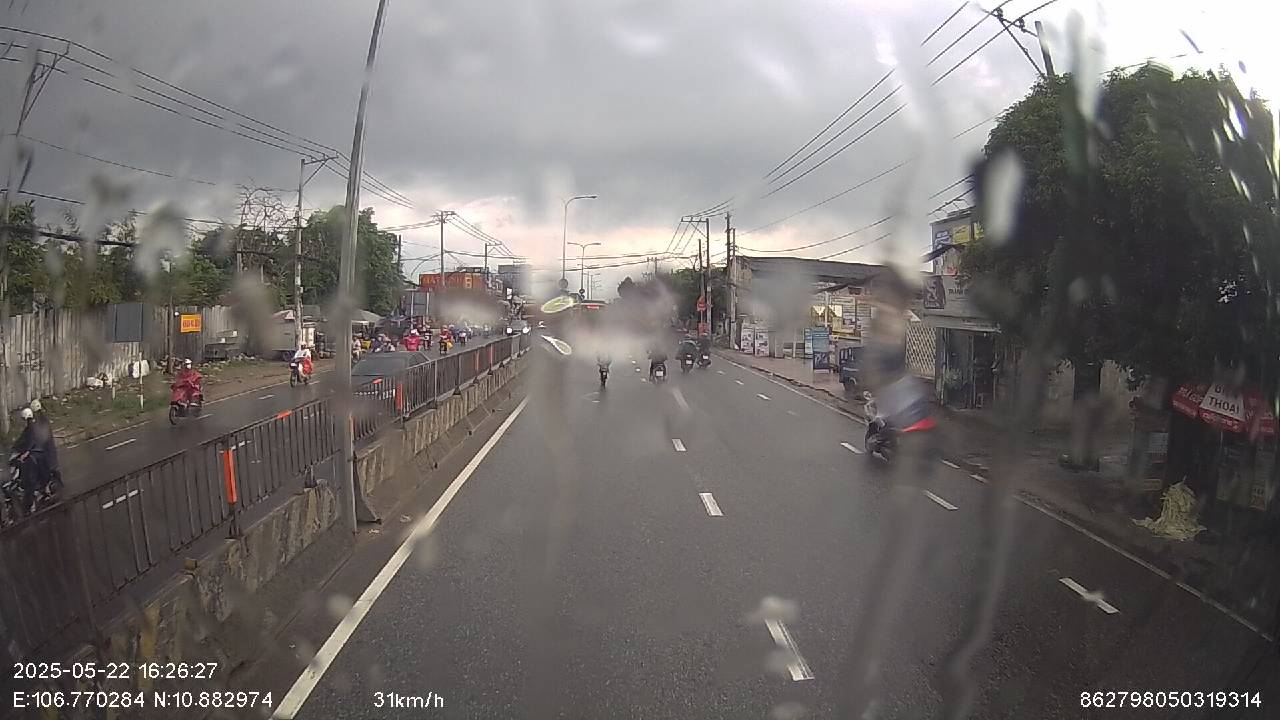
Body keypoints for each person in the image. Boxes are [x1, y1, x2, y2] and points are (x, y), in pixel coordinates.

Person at [26, 399, 60, 495]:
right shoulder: (39, 420)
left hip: (46, 449)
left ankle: (46, 487)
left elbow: (40, 436)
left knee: (42, 466)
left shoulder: (42, 421)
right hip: (45, 448)